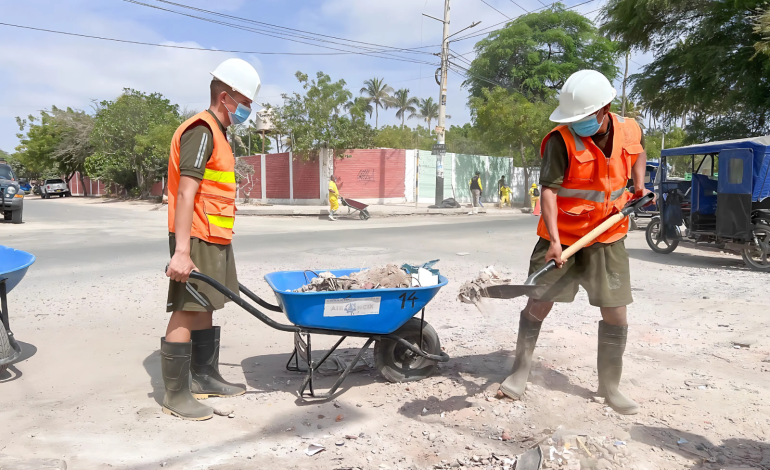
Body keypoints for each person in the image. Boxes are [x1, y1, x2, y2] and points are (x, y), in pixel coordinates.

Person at [498, 70, 653, 415]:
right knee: (538, 301)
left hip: (608, 235)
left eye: (583, 118)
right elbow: (549, 191)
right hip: (563, 236)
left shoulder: (628, 128)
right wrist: (554, 240)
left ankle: (610, 386)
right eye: (573, 119)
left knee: (616, 312)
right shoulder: (560, 140)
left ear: (605, 109)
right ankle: (520, 370)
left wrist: (639, 185)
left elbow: (639, 153)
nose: (576, 124)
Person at [163, 58, 261, 421]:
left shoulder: (219, 134)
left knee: (205, 305)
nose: (248, 110)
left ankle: (204, 376)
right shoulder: (201, 131)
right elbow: (186, 193)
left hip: (214, 236)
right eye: (245, 102)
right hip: (196, 237)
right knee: (186, 310)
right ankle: (176, 394)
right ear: (225, 97)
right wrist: (182, 251)